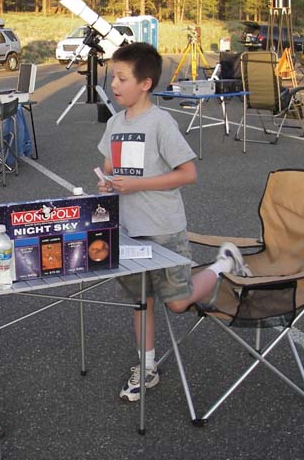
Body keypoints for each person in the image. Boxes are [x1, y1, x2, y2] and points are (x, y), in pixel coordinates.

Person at [96, 43, 252, 402]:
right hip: (129, 230)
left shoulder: (161, 122)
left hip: (164, 228)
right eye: (113, 77)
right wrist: (105, 182)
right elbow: (109, 168)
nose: (115, 85)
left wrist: (137, 184)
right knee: (141, 301)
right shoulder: (116, 122)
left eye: (122, 78)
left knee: (178, 303)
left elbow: (188, 173)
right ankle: (147, 368)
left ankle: (223, 264)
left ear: (145, 83)